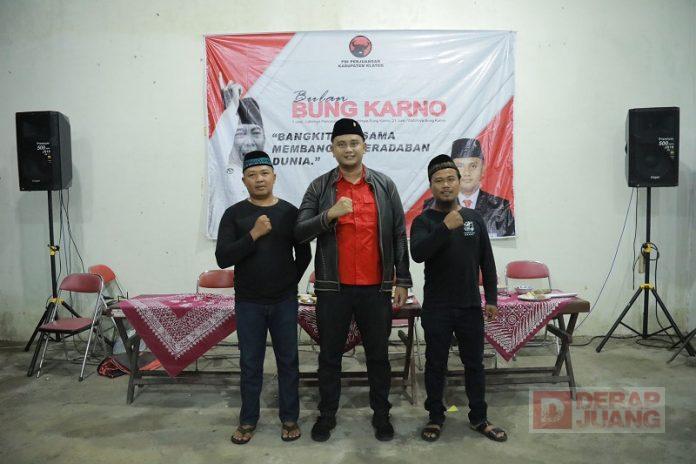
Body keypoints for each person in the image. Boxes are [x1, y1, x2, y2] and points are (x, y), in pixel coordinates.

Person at [294, 118, 412, 442]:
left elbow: (398, 234)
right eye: (341, 144)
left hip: (376, 289)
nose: (348, 149)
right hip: (334, 289)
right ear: (332, 149)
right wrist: (328, 215)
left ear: (364, 146)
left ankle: (382, 415)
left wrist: (402, 280)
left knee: (379, 356)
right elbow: (299, 231)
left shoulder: (384, 185)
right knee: (329, 356)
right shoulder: (320, 188)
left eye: (354, 143)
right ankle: (327, 415)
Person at [410, 154, 508, 443]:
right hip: (437, 307)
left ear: (458, 181)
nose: (445, 185)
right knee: (435, 364)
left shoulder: (474, 219)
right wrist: (445, 227)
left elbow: (486, 261)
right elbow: (418, 253)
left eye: (450, 179)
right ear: (431, 186)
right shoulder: (423, 221)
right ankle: (435, 416)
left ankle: (479, 418)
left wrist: (491, 299)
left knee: (474, 364)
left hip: (469, 306)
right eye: (439, 180)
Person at [216, 150, 311, 445]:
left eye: (264, 173)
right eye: (252, 175)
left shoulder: (290, 213)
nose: (259, 179)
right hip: (249, 303)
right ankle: (247, 420)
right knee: (250, 363)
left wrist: (288, 282)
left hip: (284, 301)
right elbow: (223, 258)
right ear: (244, 180)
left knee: (289, 362)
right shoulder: (234, 214)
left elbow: (304, 255)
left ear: (274, 177)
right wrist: (253, 235)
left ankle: (290, 418)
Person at [207, 75, 267, 238]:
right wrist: (232, 105)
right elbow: (218, 137)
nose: (249, 141)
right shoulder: (219, 171)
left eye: (255, 132)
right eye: (240, 133)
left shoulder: (271, 177)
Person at [423, 138, 515, 237]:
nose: (467, 173)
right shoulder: (432, 206)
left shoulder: (500, 207)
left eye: (473, 166)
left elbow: (509, 243)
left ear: (483, 169)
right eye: (460, 166)